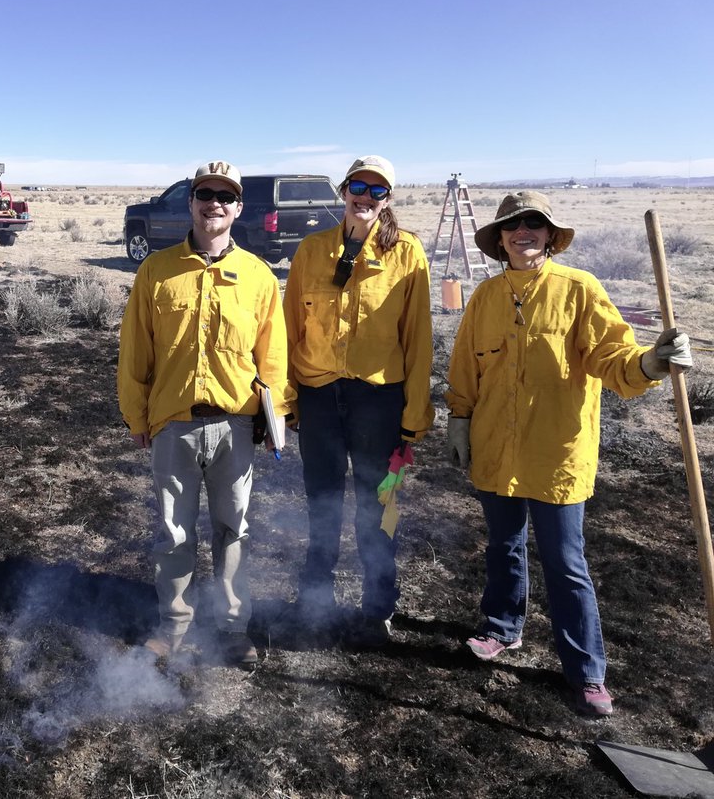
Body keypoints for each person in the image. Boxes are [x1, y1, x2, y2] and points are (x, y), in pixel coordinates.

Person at [445, 190, 692, 717]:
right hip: (494, 448)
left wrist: (650, 363)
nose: (523, 231)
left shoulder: (580, 289)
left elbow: (612, 356)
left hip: (556, 452)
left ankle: (587, 672)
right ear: (501, 238)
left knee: (566, 563)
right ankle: (501, 629)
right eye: (513, 225)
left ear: (550, 235)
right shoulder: (486, 297)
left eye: (535, 223)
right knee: (503, 547)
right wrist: (458, 420)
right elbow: (467, 367)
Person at [117, 160, 291, 670]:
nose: (214, 203)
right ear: (191, 202)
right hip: (173, 422)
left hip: (236, 423)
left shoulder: (258, 276)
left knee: (233, 528)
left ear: (238, 208)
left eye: (225, 196)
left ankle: (234, 626)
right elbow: (135, 352)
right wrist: (137, 416)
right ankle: (173, 626)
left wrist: (273, 419)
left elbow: (273, 356)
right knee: (174, 531)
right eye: (205, 194)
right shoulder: (157, 269)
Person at [283, 155, 433, 647]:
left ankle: (378, 606)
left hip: (380, 402)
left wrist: (414, 412)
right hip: (320, 397)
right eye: (358, 186)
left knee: (379, 505)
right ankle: (315, 598)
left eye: (377, 191)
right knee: (321, 501)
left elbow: (418, 339)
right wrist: (287, 401)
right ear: (343, 190)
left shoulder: (406, 253)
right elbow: (289, 329)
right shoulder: (310, 250)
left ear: (387, 199)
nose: (365, 197)